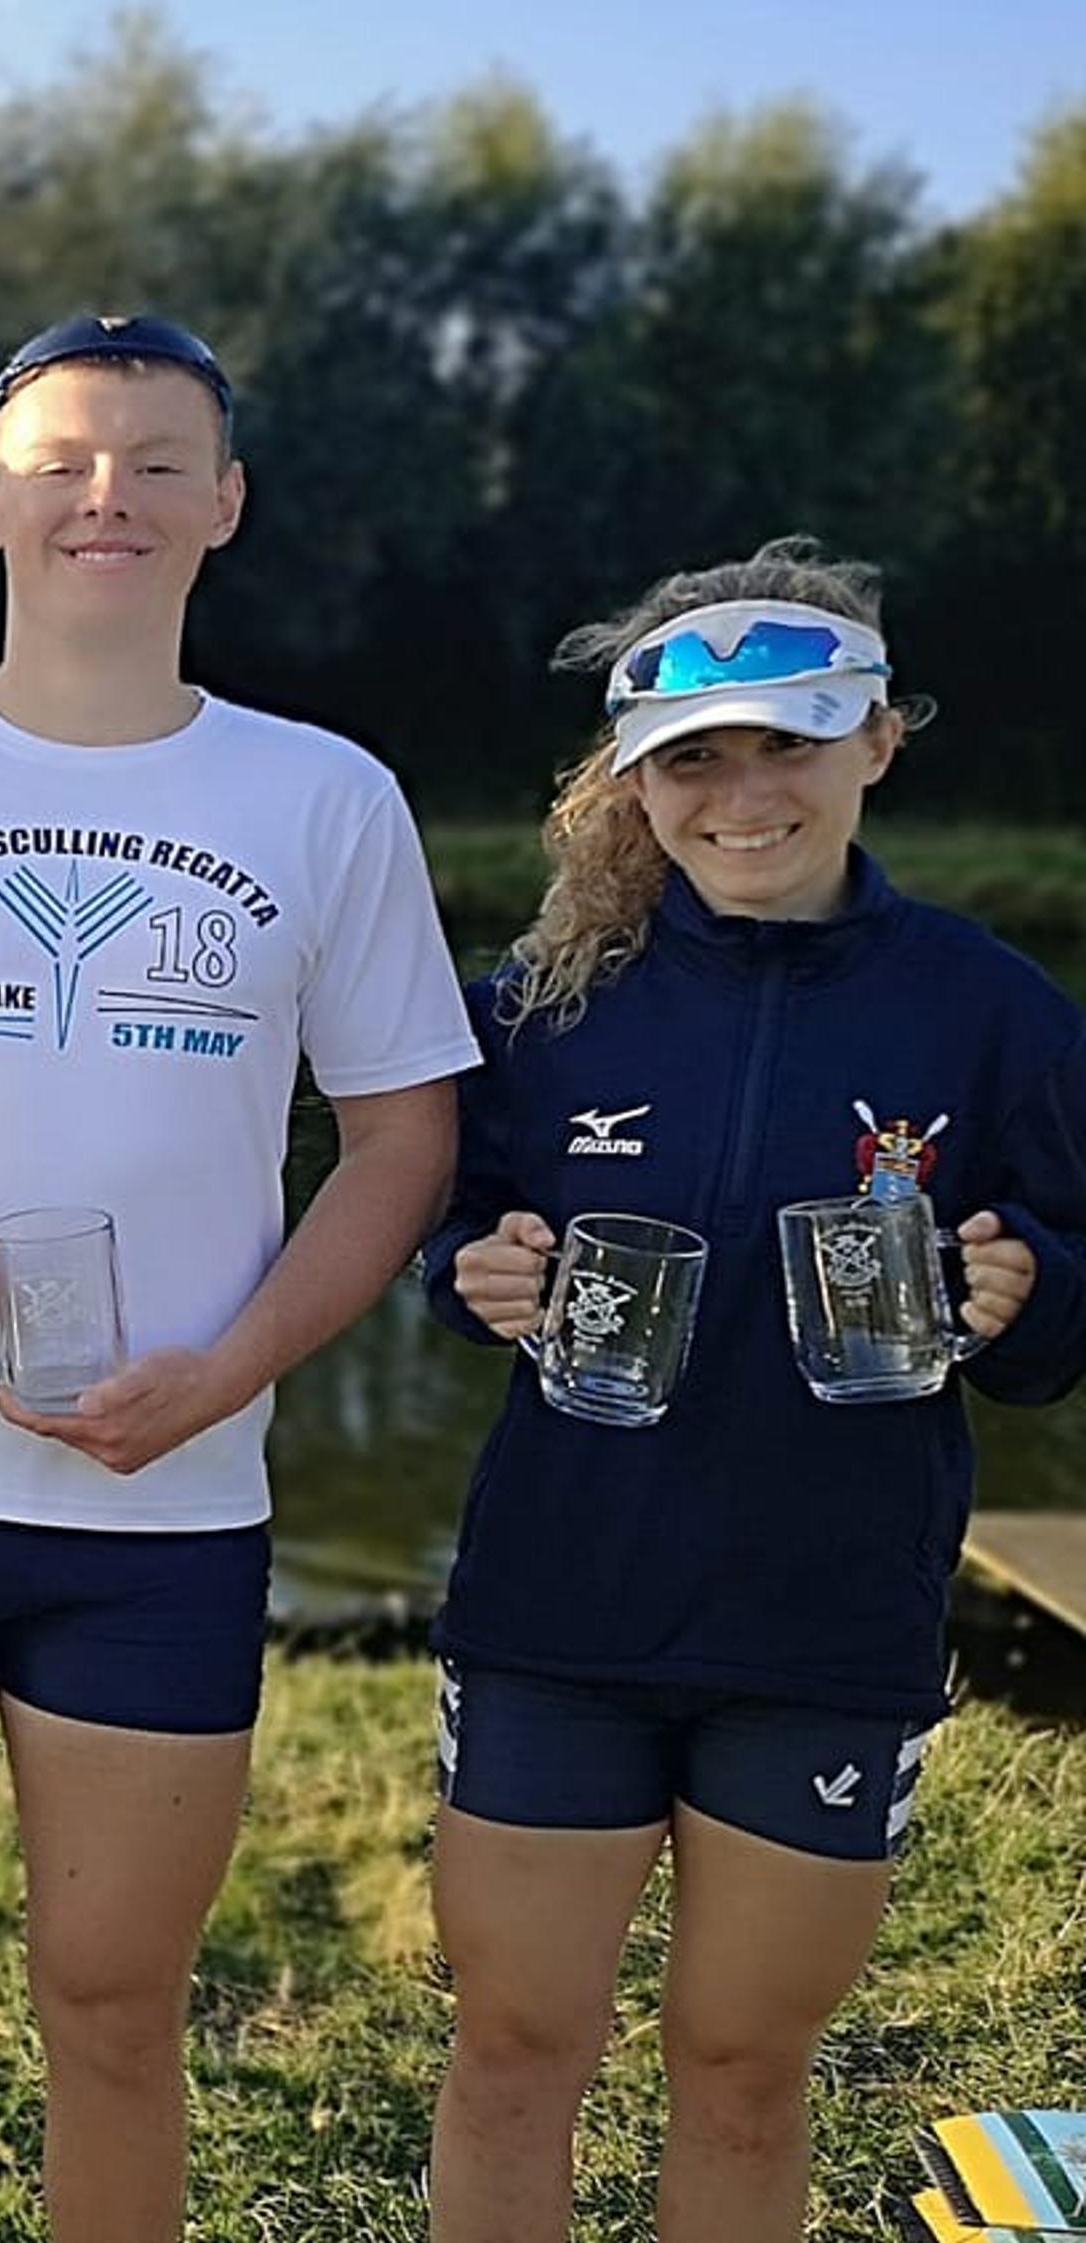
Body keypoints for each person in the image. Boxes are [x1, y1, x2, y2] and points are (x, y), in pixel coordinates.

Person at [0, 312, 475, 2243]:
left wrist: (234, 1369)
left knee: (119, 2013)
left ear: (224, 506)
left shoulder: (325, 798)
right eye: (61, 460)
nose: (105, 496)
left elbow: (403, 1146)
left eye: (153, 461)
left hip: (171, 1507)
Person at [418, 540, 1086, 2242]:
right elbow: (444, 1239)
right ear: (637, 785)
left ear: (878, 741)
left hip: (826, 1625)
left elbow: (1056, 1326)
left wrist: (1025, 1291)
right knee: (513, 2047)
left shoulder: (998, 1014)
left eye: (787, 744)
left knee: (740, 2074)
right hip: (562, 1610)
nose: (743, 797)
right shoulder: (540, 1005)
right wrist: (469, 1276)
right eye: (694, 761)